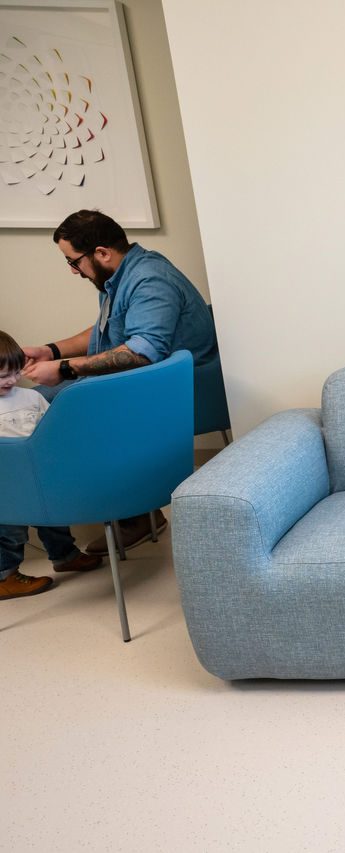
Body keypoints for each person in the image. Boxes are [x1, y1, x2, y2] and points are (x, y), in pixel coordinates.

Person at [20, 209, 218, 555]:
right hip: (149, 379)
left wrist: (65, 369)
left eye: (74, 261)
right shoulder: (120, 275)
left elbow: (142, 353)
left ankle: (129, 516)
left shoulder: (149, 279)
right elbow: (106, 332)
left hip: (180, 388)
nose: (72, 270)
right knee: (35, 401)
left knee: (54, 410)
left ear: (102, 253)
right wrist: (50, 351)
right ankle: (110, 510)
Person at [0, 331, 102, 600]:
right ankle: (6, 576)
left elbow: (50, 429)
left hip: (38, 474)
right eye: (2, 377)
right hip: (6, 485)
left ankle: (64, 556)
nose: (11, 380)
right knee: (10, 531)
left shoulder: (30, 398)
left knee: (54, 519)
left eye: (14, 372)